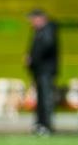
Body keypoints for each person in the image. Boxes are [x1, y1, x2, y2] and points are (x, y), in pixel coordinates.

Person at [24, 8, 58, 136]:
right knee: (41, 99)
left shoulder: (48, 30)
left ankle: (46, 126)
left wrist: (33, 58)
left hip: (46, 71)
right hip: (40, 71)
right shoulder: (39, 31)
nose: (31, 23)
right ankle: (41, 124)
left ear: (40, 18)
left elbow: (46, 46)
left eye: (33, 19)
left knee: (46, 99)